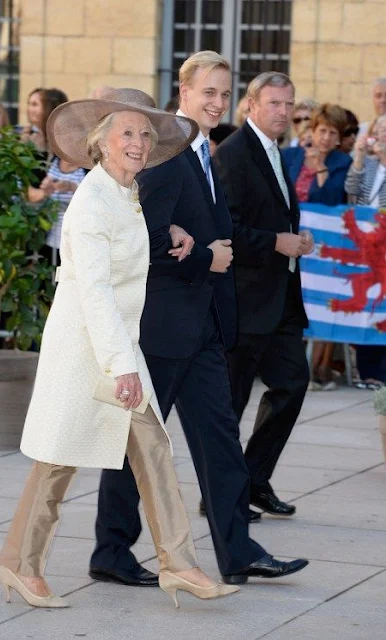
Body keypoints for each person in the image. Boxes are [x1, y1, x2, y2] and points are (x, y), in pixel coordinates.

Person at [0, 88, 240, 609]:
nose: (137, 141)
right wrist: (122, 366)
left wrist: (172, 229)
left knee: (153, 450)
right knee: (56, 463)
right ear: (101, 142)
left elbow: (139, 245)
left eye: (144, 133)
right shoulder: (92, 201)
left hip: (113, 348)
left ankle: (180, 564)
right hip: (88, 351)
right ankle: (20, 567)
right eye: (125, 132)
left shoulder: (124, 193)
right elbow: (96, 291)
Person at [90, 51, 309, 588]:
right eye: (207, 92)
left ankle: (238, 552)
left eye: (223, 93)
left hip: (204, 329)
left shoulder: (204, 153)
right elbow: (143, 242)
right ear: (183, 95)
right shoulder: (164, 156)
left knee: (220, 446)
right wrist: (205, 256)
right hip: (163, 330)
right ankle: (111, 551)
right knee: (136, 447)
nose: (216, 102)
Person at [213, 71, 313, 518]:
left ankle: (253, 479)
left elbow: (273, 216)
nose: (284, 112)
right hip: (245, 302)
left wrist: (295, 238)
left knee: (292, 384)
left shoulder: (276, 152)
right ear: (251, 105)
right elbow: (226, 229)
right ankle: (220, 495)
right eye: (274, 103)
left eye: (289, 104)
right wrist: (276, 241)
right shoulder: (234, 154)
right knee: (230, 406)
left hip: (280, 300)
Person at [283, 103, 352, 390]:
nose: (325, 137)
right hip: (289, 241)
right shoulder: (291, 155)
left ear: (338, 138)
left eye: (331, 132)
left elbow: (332, 201)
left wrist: (321, 170)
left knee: (320, 304)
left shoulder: (341, 163)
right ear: (312, 131)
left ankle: (317, 368)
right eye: (321, 130)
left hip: (323, 247)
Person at [345, 113, 386, 389]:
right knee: (366, 305)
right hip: (364, 248)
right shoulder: (368, 165)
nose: (383, 132)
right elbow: (350, 189)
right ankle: (367, 370)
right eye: (380, 128)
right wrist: (359, 158)